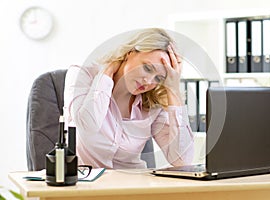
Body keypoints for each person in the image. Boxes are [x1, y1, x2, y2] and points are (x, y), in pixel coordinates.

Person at [64, 28, 194, 169]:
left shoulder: (154, 100)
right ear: (130, 53)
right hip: (90, 186)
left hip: (133, 185)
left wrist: (173, 90)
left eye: (158, 78)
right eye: (148, 68)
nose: (148, 81)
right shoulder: (82, 74)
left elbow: (182, 160)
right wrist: (107, 72)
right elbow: (88, 126)